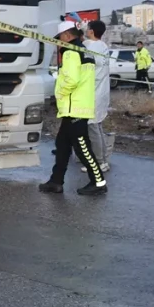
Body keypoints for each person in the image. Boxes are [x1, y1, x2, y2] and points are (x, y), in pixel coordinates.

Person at [40, 21, 107, 196]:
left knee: (82, 148)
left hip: (74, 107)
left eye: (60, 38)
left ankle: (98, 182)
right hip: (77, 107)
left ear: (67, 36)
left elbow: (71, 80)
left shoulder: (71, 52)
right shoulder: (84, 50)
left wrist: (59, 94)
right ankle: (56, 181)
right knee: (62, 145)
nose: (58, 42)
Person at [83, 19, 112, 173]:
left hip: (94, 91)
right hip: (101, 91)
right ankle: (103, 160)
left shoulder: (92, 46)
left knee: (93, 127)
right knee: (98, 126)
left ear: (92, 31)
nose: (86, 30)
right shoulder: (102, 45)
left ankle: (100, 162)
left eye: (88, 28)